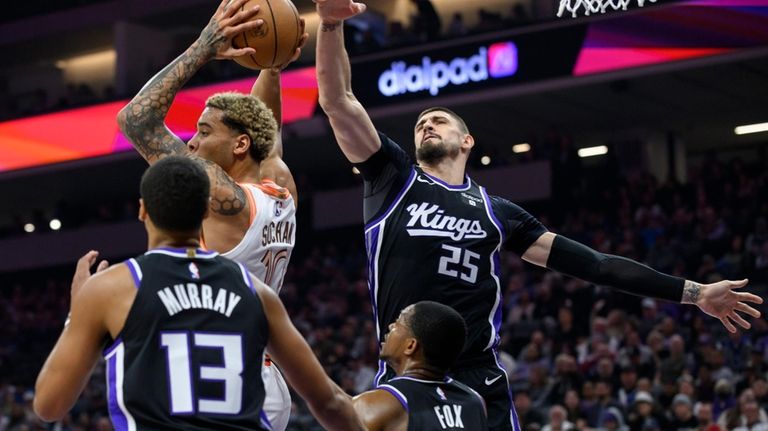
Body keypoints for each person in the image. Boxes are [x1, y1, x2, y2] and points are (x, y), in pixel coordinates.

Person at [313, 1, 764, 430]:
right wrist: (331, 26)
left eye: (439, 120)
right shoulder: (395, 181)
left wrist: (695, 293)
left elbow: (597, 265)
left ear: (467, 142)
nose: (427, 125)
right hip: (409, 375)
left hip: (478, 377)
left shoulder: (498, 213)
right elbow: (339, 100)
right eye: (420, 125)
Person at [33, 157, 365, 431]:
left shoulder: (112, 288)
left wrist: (76, 313)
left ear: (143, 210)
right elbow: (329, 402)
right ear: (206, 212)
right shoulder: (255, 290)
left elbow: (49, 406)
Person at [116, 0, 308, 428]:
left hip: (220, 378)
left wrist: (204, 46)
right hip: (263, 376)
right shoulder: (279, 181)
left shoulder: (228, 200)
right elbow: (264, 128)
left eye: (202, 132)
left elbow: (136, 121)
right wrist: (272, 65)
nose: (191, 145)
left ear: (239, 145)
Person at [352, 301, 487, 430]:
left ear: (410, 345)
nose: (391, 326)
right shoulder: (475, 403)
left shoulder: (376, 403)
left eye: (398, 323)